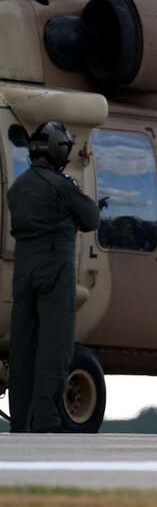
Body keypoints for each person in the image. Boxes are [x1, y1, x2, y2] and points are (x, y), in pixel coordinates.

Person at [7, 122, 99, 432]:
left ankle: (20, 421)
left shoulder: (17, 187)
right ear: (59, 150)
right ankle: (45, 418)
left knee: (23, 346)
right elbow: (91, 217)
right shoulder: (61, 185)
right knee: (55, 346)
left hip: (24, 270)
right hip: (54, 269)